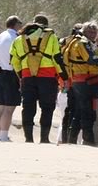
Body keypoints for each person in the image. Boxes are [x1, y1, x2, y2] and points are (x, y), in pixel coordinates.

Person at [10, 15, 69, 144]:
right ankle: (44, 138)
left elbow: (14, 60)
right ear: (45, 26)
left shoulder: (19, 39)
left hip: (27, 77)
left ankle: (29, 138)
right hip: (47, 77)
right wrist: (64, 76)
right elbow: (57, 58)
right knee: (47, 107)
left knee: (28, 107)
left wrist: (21, 75)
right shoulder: (51, 37)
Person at [63, 22, 98, 145]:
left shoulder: (79, 42)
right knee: (87, 111)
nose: (93, 34)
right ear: (84, 31)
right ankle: (88, 140)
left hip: (81, 80)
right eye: (90, 31)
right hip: (85, 81)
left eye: (95, 32)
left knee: (79, 111)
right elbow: (91, 59)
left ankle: (72, 139)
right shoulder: (83, 43)